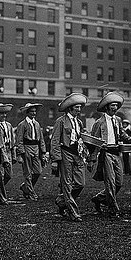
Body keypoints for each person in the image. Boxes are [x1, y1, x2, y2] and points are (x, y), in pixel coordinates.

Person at [88, 91, 131, 217]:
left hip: (116, 153)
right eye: (112, 105)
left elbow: (121, 133)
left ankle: (99, 198)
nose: (115, 108)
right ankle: (113, 208)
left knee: (119, 182)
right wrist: (92, 159)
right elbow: (93, 141)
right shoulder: (99, 122)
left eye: (116, 105)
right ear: (107, 106)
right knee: (110, 182)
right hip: (106, 154)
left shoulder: (118, 120)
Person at [51, 93, 88, 222]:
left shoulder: (79, 122)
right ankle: (73, 212)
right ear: (70, 108)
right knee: (66, 183)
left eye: (79, 107)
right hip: (65, 153)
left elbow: (82, 137)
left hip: (77, 154)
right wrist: (55, 160)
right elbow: (55, 140)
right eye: (76, 107)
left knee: (80, 183)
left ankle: (62, 201)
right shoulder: (60, 121)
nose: (79, 109)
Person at [15, 103, 47, 201]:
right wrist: (20, 153)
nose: (34, 113)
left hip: (36, 148)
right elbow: (19, 140)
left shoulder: (36, 124)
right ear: (27, 113)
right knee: (28, 172)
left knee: (38, 171)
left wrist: (43, 152)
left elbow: (41, 139)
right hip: (27, 148)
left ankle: (25, 187)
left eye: (35, 111)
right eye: (32, 111)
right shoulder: (22, 124)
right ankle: (31, 193)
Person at [0, 103, 16, 202]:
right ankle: (2, 198)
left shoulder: (8, 125)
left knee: (9, 175)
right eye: (2, 113)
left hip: (8, 150)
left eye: (5, 113)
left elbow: (12, 140)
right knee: (1, 175)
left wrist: (13, 154)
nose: (4, 115)